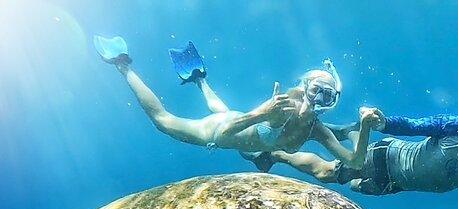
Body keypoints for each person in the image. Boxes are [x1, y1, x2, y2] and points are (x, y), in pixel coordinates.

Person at [92, 36, 373, 169]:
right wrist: (261, 113)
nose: (319, 99)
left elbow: (356, 162)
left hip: (243, 128)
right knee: (163, 122)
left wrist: (366, 127)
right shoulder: (282, 106)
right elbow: (226, 134)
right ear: (304, 86)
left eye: (327, 94)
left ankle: (199, 78)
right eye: (316, 89)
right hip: (220, 132)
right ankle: (121, 65)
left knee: (225, 110)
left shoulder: (316, 130)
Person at [246, 95, 458, 209]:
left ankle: (350, 132)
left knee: (355, 188)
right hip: (389, 156)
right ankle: (279, 154)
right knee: (329, 174)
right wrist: (383, 121)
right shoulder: (455, 126)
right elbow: (413, 126)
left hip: (396, 184)